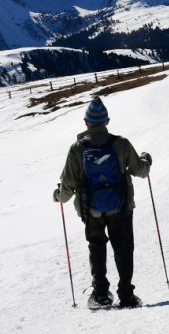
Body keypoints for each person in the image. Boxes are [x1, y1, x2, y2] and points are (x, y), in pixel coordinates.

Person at [54, 97, 152, 309]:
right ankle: (126, 295)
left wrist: (58, 196)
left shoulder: (77, 148)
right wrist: (147, 160)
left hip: (91, 210)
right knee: (123, 249)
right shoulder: (121, 144)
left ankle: (100, 295)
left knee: (97, 248)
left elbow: (68, 185)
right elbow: (140, 170)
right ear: (106, 121)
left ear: (86, 122)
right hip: (121, 206)